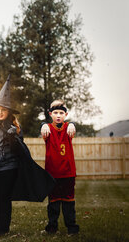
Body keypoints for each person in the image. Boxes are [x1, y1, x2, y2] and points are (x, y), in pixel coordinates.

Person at [0, 75, 55, 237]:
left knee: (4, 197)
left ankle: (3, 228)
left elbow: (19, 150)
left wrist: (12, 137)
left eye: (3, 109)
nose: (0, 112)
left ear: (8, 111)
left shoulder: (15, 127)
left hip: (9, 167)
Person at [41, 100, 80, 235]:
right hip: (52, 173)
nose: (58, 115)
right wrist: (43, 124)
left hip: (68, 172)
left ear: (66, 114)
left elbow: (72, 128)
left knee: (69, 202)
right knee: (53, 202)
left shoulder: (69, 127)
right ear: (50, 114)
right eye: (55, 112)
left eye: (61, 113)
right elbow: (43, 129)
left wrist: (72, 124)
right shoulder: (47, 128)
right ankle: (52, 227)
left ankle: (72, 228)